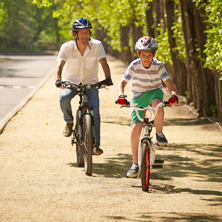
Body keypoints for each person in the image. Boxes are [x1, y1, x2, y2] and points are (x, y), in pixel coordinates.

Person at [116, 36, 178, 178]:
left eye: (150, 55)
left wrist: (173, 95)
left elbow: (169, 83)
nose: (146, 58)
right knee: (135, 129)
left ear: (154, 54)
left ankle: (159, 134)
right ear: (138, 54)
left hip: (154, 92)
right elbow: (122, 83)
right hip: (138, 96)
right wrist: (121, 96)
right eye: (143, 55)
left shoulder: (158, 65)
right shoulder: (134, 65)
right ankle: (135, 164)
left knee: (158, 104)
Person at [55, 18, 113, 155]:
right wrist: (58, 80)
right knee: (63, 98)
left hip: (91, 83)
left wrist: (108, 78)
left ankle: (95, 145)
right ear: (75, 34)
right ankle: (69, 122)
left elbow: (104, 63)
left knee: (95, 113)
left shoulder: (97, 45)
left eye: (87, 32)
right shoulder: (67, 47)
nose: (85, 35)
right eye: (81, 33)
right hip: (71, 83)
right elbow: (60, 66)